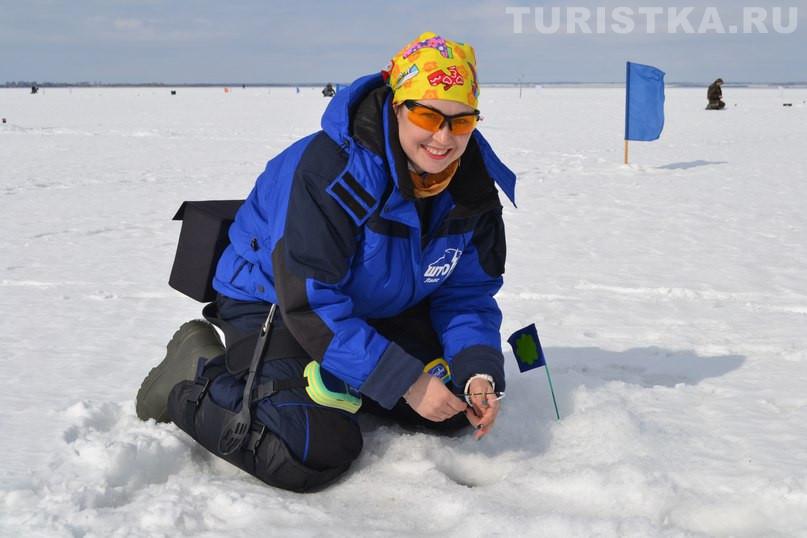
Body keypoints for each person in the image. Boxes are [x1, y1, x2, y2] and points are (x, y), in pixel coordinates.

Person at [136, 31, 516, 492]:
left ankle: (350, 380)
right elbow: (311, 303)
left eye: (461, 120)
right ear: (398, 106)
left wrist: (477, 370)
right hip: (276, 304)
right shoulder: (329, 172)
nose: (443, 136)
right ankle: (197, 373)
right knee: (312, 450)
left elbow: (466, 293)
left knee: (453, 403)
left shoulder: (471, 189)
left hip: (374, 307)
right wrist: (407, 382)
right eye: (426, 114)